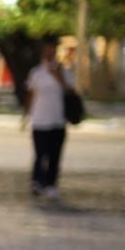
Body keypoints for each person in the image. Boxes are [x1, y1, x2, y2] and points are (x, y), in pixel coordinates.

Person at [23, 35, 72, 198]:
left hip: (58, 121)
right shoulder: (36, 73)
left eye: (52, 51)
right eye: (47, 51)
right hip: (40, 120)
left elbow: (70, 92)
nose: (49, 54)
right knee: (40, 154)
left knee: (54, 155)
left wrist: (59, 76)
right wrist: (27, 115)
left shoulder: (64, 72)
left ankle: (51, 183)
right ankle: (37, 181)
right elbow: (30, 94)